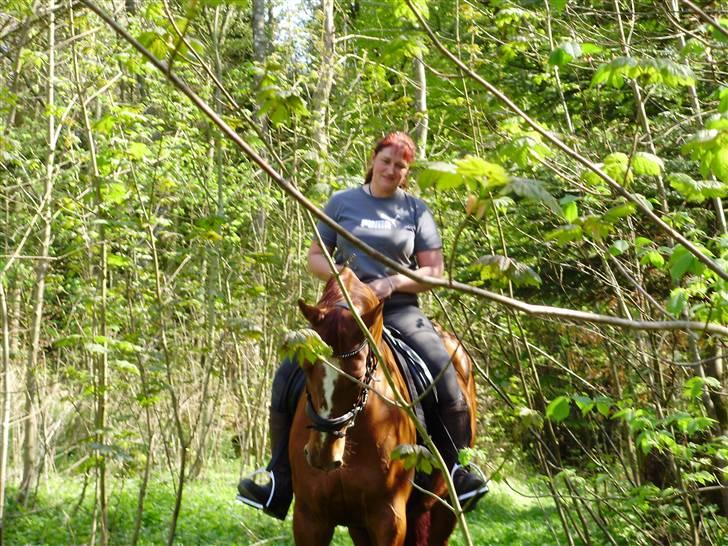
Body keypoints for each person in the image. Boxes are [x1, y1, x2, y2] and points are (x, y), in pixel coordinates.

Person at [237, 132, 488, 520]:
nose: (392, 170)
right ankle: (278, 476)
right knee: (288, 372)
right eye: (386, 161)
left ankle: (457, 470)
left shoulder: (416, 211)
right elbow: (315, 259)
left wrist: (390, 283)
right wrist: (345, 278)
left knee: (442, 369)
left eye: (401, 166)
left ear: (407, 173)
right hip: (341, 311)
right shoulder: (341, 203)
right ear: (373, 160)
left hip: (398, 309)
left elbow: (433, 270)